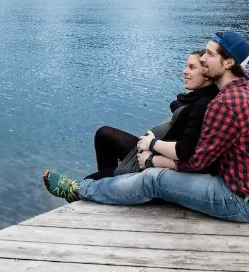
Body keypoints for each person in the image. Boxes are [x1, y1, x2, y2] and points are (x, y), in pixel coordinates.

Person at [41, 31, 249, 223]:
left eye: (209, 54)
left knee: (154, 180)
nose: (203, 59)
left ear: (229, 62)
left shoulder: (225, 103)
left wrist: (152, 158)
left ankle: (80, 190)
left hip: (241, 201)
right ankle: (97, 191)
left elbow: (196, 161)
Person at [78, 49, 219, 182]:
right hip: (150, 150)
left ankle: (107, 185)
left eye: (192, 67)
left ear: (206, 74)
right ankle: (110, 184)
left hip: (152, 160)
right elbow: (178, 109)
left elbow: (184, 150)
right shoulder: (194, 99)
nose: (184, 72)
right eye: (186, 66)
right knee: (104, 135)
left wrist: (151, 146)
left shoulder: (202, 104)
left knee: (89, 181)